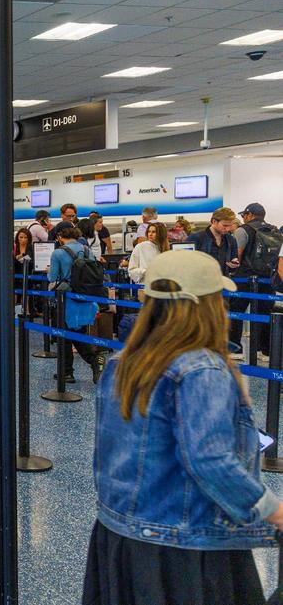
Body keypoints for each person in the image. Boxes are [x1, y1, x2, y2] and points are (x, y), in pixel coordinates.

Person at [83, 249, 283, 605]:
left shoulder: (123, 362)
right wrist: (272, 510)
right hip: (184, 544)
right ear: (205, 305)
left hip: (119, 534)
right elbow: (210, 460)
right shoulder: (201, 369)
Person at [49, 226, 106, 384]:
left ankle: (88, 362)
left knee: (65, 335)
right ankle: (70, 370)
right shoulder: (88, 250)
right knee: (77, 332)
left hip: (67, 299)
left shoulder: (58, 253)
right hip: (87, 298)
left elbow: (52, 277)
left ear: (60, 236)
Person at [231, 203, 274, 360]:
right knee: (266, 313)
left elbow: (238, 255)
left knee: (235, 312)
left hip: (245, 277)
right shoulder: (274, 230)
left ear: (249, 215)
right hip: (268, 279)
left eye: (244, 215)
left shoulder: (243, 230)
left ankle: (235, 349)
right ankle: (266, 351)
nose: (243, 218)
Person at [189, 207, 239, 276]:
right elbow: (186, 264)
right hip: (201, 283)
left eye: (230, 226)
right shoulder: (196, 238)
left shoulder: (231, 240)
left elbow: (233, 267)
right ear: (214, 221)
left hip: (223, 282)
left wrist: (233, 265)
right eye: (225, 225)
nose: (228, 229)